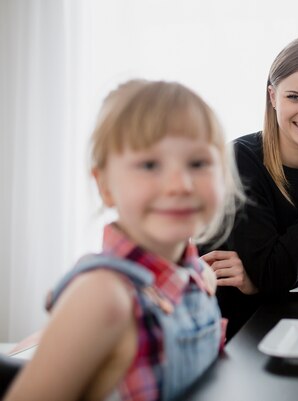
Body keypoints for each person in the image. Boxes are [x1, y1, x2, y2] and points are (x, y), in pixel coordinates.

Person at [5, 79, 243, 401]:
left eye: (198, 163)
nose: (180, 185)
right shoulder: (105, 297)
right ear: (104, 186)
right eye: (149, 165)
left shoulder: (202, 278)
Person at [199, 36, 298, 339]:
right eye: (294, 97)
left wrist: (261, 278)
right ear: (273, 97)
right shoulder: (240, 161)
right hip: (230, 331)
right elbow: (277, 270)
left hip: (288, 319)